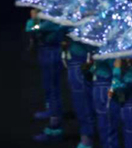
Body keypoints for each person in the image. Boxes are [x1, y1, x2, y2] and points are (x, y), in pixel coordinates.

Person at [27, 10, 65, 142]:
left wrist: (34, 20)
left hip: (52, 51)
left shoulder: (54, 14)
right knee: (48, 85)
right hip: (45, 49)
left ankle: (55, 128)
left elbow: (32, 28)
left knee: (54, 90)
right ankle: (51, 111)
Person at [66, 35, 96, 148]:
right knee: (80, 101)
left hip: (81, 60)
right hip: (75, 58)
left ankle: (87, 138)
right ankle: (86, 135)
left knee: (83, 102)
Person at [89, 53, 120, 148]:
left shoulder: (101, 50)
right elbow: (115, 72)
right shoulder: (107, 50)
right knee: (107, 124)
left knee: (105, 124)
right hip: (104, 88)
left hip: (100, 88)